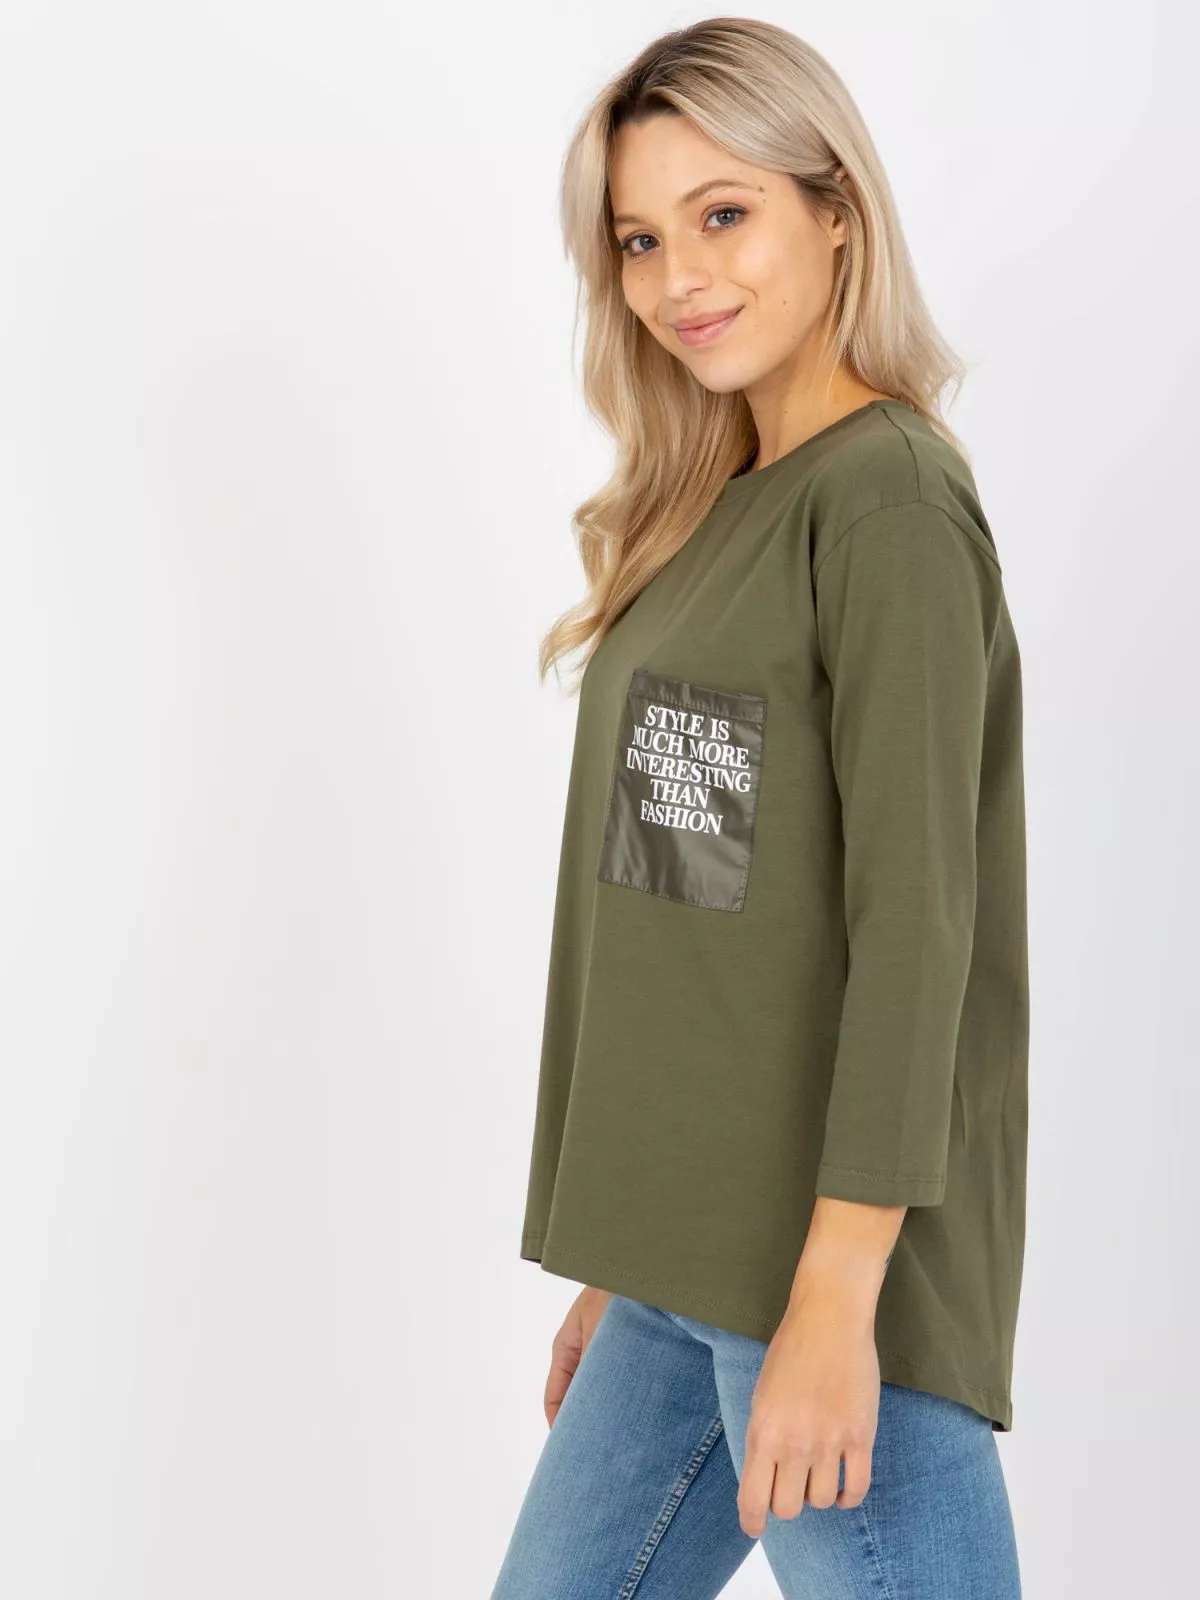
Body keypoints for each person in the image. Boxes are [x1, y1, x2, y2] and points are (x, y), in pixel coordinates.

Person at [491, 18, 1028, 1600]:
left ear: (835, 209)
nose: (679, 279)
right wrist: (626, 1255)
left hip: (828, 1273)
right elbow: (694, 895)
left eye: (722, 214)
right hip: (687, 1264)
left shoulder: (888, 505)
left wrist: (839, 1295)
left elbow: (915, 930)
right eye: (640, 240)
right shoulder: (717, 507)